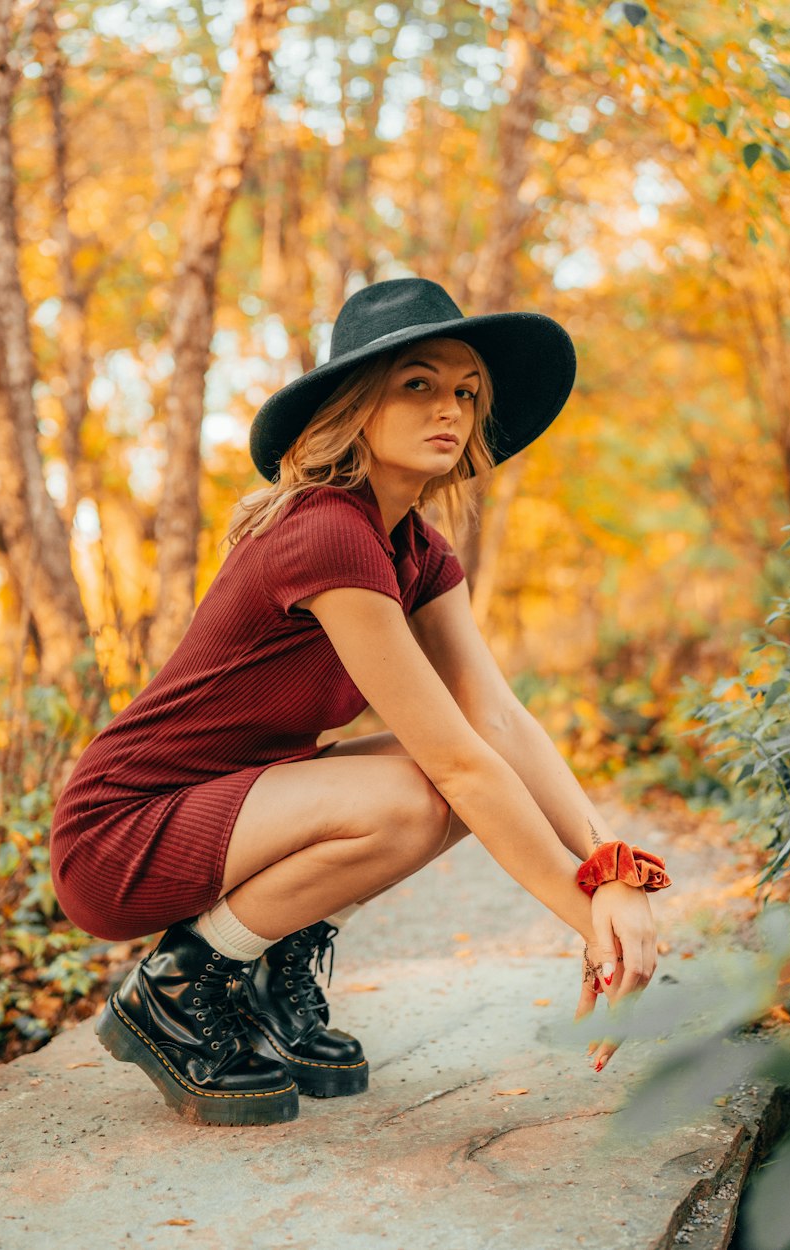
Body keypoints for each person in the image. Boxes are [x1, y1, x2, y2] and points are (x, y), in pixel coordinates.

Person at [49, 276, 670, 1128]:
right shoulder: (325, 529)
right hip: (123, 829)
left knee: (453, 785)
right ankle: (179, 987)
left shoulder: (416, 548)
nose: (448, 407)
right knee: (425, 792)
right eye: (417, 383)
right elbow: (456, 760)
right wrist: (589, 923)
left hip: (236, 808)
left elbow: (496, 720)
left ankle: (269, 963)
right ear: (356, 404)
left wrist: (613, 871)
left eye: (464, 391)